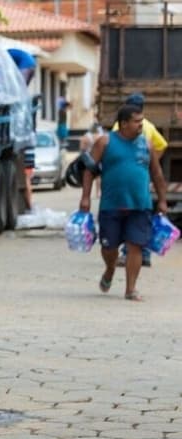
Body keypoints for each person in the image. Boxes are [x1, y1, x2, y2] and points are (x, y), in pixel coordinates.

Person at [80, 104, 167, 301]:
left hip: (140, 205)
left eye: (141, 121)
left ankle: (131, 289)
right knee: (108, 248)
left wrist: (161, 200)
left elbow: (157, 173)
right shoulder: (105, 142)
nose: (140, 125)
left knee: (135, 245)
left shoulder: (147, 144)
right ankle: (110, 269)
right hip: (111, 204)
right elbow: (89, 171)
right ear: (124, 123)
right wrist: (85, 197)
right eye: (137, 122)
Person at [113, 92, 168, 268]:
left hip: (124, 181)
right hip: (141, 179)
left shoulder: (120, 125)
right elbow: (162, 145)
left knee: (125, 217)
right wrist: (150, 163)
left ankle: (127, 253)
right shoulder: (149, 126)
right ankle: (143, 253)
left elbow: (113, 145)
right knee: (141, 216)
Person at [80, 123, 104, 198]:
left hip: (88, 158)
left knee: (87, 176)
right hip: (99, 157)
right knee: (98, 176)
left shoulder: (86, 137)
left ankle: (86, 194)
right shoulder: (101, 137)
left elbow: (82, 148)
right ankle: (98, 192)